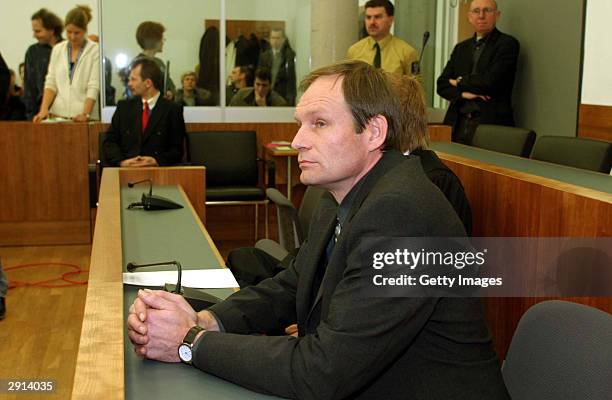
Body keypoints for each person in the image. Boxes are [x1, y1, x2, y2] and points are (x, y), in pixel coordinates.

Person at [127, 60, 509, 399]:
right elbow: (292, 283)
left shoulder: (403, 213)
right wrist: (209, 319)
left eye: (320, 124)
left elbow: (323, 371)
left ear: (374, 132)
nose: (297, 141)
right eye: (300, 125)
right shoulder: (342, 195)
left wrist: (190, 341)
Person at [226, 73, 472, 289]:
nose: (297, 141)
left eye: (321, 123)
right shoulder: (347, 183)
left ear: (377, 126)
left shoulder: (423, 189)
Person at [436, 0, 520, 144]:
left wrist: (459, 82)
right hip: (458, 123)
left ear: (497, 15)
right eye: (476, 11)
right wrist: (463, 94)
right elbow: (442, 84)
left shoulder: (507, 44)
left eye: (487, 10)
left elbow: (489, 82)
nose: (481, 15)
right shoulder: (461, 48)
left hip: (491, 124)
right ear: (469, 16)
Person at [103, 58, 185, 168]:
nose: (129, 84)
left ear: (148, 83)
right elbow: (110, 142)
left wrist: (156, 161)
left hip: (159, 174)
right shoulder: (124, 108)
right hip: (126, 172)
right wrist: (122, 162)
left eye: (133, 79)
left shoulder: (172, 109)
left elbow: (177, 150)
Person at [33, 5, 99, 122]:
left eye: (77, 33)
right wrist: (43, 109)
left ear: (85, 30)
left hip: (83, 117)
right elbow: (51, 82)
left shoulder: (95, 50)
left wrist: (86, 114)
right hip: (58, 115)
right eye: (69, 32)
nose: (72, 37)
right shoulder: (58, 49)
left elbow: (93, 86)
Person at [346, 0, 418, 76]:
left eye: (377, 17)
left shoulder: (406, 52)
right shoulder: (354, 51)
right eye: (368, 17)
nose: (372, 22)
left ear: (390, 20)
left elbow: (415, 86)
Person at [23, 8, 63, 120]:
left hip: (63, 113)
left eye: (38, 31)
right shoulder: (32, 52)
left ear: (52, 30)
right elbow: (29, 87)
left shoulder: (66, 49)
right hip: (39, 114)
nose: (34, 35)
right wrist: (31, 115)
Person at [126, 21, 175, 99]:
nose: (163, 41)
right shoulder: (137, 65)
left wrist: (170, 92)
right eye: (161, 38)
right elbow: (132, 92)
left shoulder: (160, 63)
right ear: (153, 39)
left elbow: (170, 86)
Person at [257, 28, 296, 105]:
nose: (275, 41)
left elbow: (291, 79)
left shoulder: (289, 55)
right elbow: (259, 76)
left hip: (282, 96)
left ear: (283, 40)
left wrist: (291, 99)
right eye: (272, 38)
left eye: (278, 38)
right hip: (266, 94)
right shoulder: (264, 56)